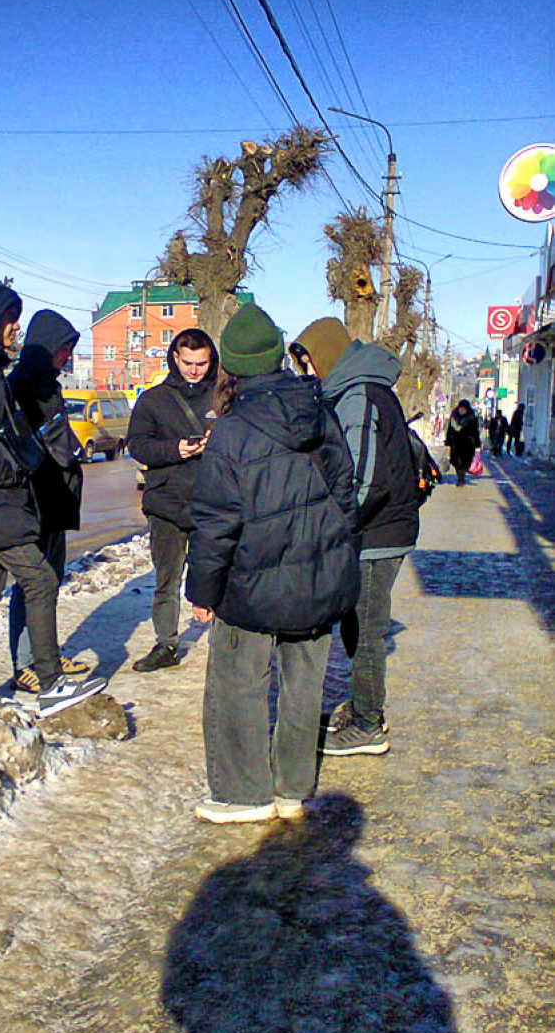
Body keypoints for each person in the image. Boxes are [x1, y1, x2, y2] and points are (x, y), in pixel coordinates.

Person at [186, 304, 359, 824]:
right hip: (316, 582)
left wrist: (203, 594)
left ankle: (243, 795)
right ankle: (291, 790)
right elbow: (345, 495)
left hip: (250, 588)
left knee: (237, 686)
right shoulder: (319, 411)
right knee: (304, 690)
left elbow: (216, 525)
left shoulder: (231, 433)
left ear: (230, 366)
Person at [0, 280, 105, 716]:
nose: (15, 328)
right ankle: (49, 684)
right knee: (40, 579)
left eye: (15, 320)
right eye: (8, 319)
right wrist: (11, 473)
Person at [291, 316, 420, 757]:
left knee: (365, 631)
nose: (307, 372)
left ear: (326, 354)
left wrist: (332, 531)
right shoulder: (358, 389)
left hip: (375, 532)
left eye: (308, 362)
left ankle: (369, 724)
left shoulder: (359, 396)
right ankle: (365, 708)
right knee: (356, 623)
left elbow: (363, 479)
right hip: (379, 528)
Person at [7, 309, 89, 693]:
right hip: (34, 499)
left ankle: (46, 654)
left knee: (51, 581)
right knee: (33, 584)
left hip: (56, 498)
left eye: (70, 350)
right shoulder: (20, 386)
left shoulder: (50, 385)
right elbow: (23, 445)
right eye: (63, 350)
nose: (67, 357)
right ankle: (26, 664)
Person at [127, 328, 219, 673]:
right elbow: (136, 444)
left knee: (215, 571)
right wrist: (174, 450)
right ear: (175, 359)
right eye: (188, 362)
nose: (194, 370)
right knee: (167, 577)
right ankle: (166, 643)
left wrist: (218, 441)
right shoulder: (153, 400)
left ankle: (225, 642)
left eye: (202, 363)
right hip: (166, 501)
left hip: (212, 501)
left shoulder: (222, 398)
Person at [445, 399, 480, 485]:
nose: (462, 410)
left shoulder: (472, 418)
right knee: (455, 460)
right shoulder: (454, 417)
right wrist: (448, 441)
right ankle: (459, 474)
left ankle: (461, 476)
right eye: (461, 408)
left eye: (464, 408)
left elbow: (475, 432)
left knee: (466, 461)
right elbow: (450, 430)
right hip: (455, 443)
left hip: (468, 444)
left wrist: (477, 444)